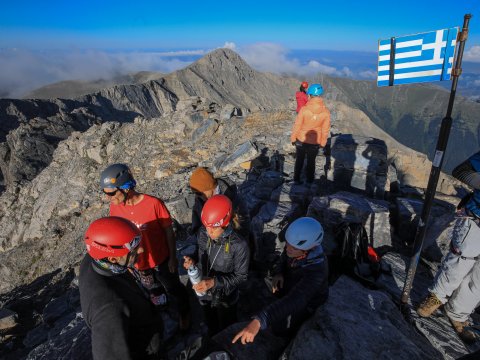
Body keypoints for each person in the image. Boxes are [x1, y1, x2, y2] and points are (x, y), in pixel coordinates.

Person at [100, 163, 189, 328]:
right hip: (140, 264)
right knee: (153, 289)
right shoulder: (115, 208)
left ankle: (185, 314)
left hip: (162, 259)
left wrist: (172, 258)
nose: (108, 198)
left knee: (174, 288)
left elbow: (169, 231)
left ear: (125, 188)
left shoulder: (153, 204)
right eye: (106, 193)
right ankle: (163, 308)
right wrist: (125, 263)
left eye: (111, 193)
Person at [232, 217, 329, 345]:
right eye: (287, 243)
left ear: (309, 248)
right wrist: (279, 273)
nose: (288, 248)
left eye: (293, 248)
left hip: (307, 302)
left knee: (281, 328)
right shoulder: (295, 247)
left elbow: (296, 299)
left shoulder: (317, 271)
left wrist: (260, 320)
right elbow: (284, 257)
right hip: (290, 282)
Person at [79, 216, 164, 360]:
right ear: (113, 258)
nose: (141, 250)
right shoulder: (109, 307)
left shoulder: (93, 260)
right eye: (134, 249)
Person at [417, 151, 480, 343]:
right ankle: (436, 297)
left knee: (478, 280)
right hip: (476, 220)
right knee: (458, 264)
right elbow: (462, 171)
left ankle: (458, 313)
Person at [183, 194, 250, 336]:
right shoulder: (203, 232)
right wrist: (192, 261)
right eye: (207, 227)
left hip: (226, 295)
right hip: (204, 291)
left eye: (213, 228)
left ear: (225, 224)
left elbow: (241, 277)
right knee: (210, 321)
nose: (209, 232)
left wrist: (214, 282)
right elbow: (201, 252)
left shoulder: (239, 245)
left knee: (227, 325)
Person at [189, 167, 249, 238]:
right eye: (196, 193)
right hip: (209, 238)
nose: (198, 196)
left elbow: (243, 219)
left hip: (232, 239)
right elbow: (196, 220)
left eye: (199, 193)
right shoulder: (200, 198)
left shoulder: (231, 193)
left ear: (209, 187)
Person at [290, 83, 331, 185]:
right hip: (315, 142)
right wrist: (322, 143)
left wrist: (293, 138)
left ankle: (296, 180)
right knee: (311, 161)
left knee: (299, 160)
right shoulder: (326, 112)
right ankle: (309, 181)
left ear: (309, 95)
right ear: (320, 96)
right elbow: (325, 130)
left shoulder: (304, 109)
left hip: (301, 139)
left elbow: (297, 125)